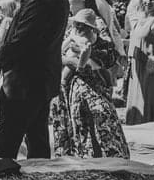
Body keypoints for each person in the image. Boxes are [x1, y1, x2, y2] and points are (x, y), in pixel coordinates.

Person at [0, 0, 69, 159]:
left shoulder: (43, 0)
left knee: (7, 142)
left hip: (24, 83)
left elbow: (22, 42)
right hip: (39, 81)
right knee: (37, 139)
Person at [51, 9, 129, 158]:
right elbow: (57, 54)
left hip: (92, 84)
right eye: (77, 25)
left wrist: (87, 55)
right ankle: (75, 155)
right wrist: (72, 61)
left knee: (101, 116)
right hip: (70, 85)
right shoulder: (70, 34)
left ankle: (108, 155)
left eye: (82, 25)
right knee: (71, 119)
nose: (79, 28)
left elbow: (110, 59)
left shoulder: (100, 39)